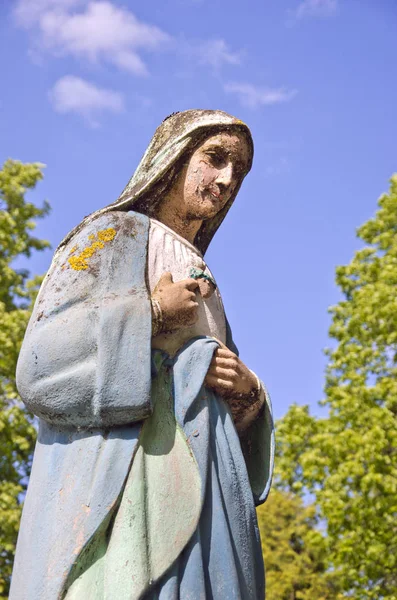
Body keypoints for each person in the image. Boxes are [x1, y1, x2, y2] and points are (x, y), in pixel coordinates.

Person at [10, 109, 275, 600]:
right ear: (173, 160)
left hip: (210, 496)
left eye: (237, 171)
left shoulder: (204, 273)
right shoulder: (112, 235)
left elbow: (222, 394)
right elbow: (41, 363)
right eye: (215, 159)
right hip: (133, 484)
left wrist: (248, 392)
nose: (226, 179)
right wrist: (152, 312)